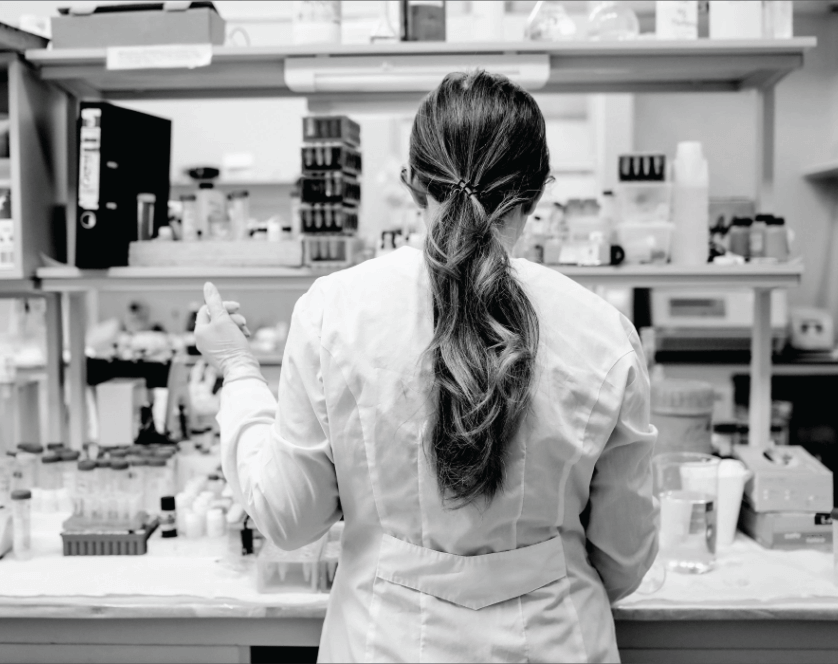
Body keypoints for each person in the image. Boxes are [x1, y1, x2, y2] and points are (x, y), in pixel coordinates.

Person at [195, 71, 658, 663]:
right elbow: (625, 555)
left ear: (413, 184)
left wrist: (237, 368)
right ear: (538, 193)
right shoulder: (603, 331)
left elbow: (290, 517)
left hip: (382, 642)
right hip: (554, 640)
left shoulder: (334, 312)